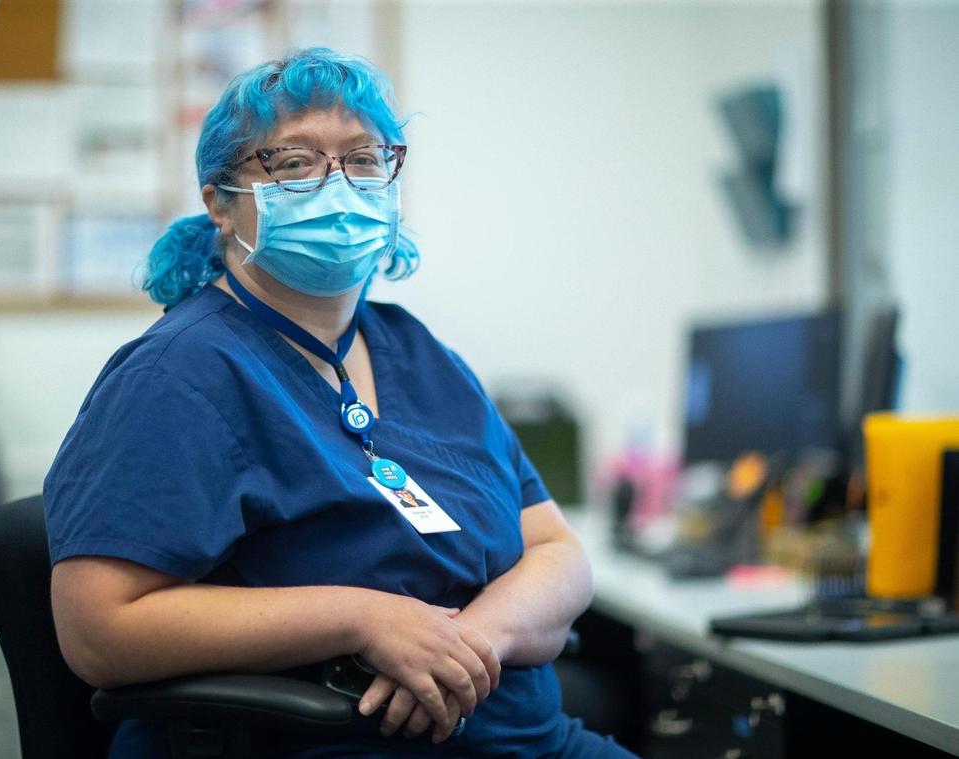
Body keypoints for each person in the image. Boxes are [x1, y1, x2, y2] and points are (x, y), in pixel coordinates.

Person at [44, 47, 636, 758]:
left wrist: (470, 642)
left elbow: (557, 550)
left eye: (363, 159)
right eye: (293, 162)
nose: (338, 184)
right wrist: (361, 619)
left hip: (531, 739)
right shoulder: (178, 376)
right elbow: (98, 629)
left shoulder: (416, 351)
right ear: (221, 203)